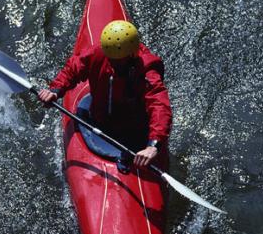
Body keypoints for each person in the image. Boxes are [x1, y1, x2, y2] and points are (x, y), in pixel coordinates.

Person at [38, 20, 172, 173]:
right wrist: (55, 90)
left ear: (131, 54)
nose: (114, 63)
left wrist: (153, 146)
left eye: (119, 60)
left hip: (134, 133)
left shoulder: (147, 71)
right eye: (112, 59)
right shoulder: (100, 53)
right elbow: (73, 68)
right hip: (99, 121)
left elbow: (160, 106)